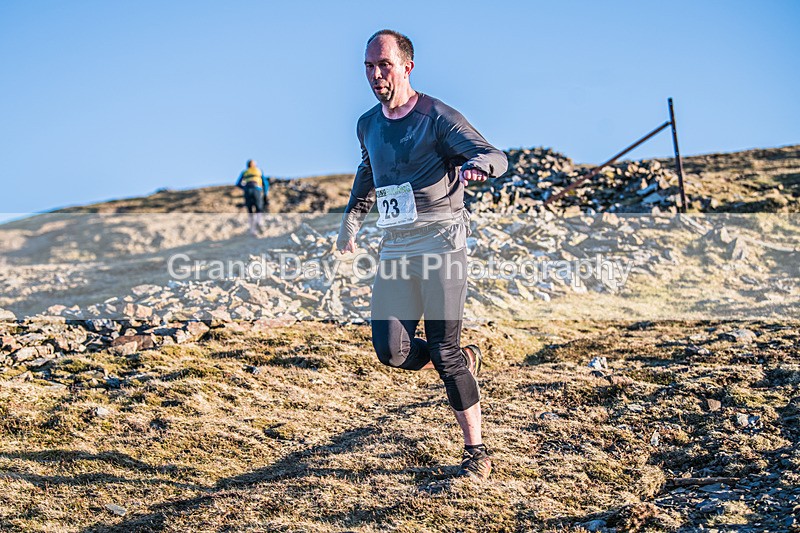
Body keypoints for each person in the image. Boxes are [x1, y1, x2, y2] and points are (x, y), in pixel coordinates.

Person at [336, 30, 508, 480]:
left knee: (444, 350)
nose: (375, 75)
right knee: (390, 351)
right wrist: (351, 220)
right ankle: (461, 360)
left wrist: (478, 166)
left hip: (442, 247)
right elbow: (368, 170)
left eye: (384, 65)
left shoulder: (438, 117)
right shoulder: (367, 124)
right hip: (396, 249)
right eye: (369, 66)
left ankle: (476, 452)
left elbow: (494, 154)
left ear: (407, 67)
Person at [236, 159, 269, 236]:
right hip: (256, 190)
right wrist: (265, 193)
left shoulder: (244, 172)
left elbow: (238, 183)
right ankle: (259, 222)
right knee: (259, 208)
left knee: (250, 210)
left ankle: (252, 230)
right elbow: (265, 183)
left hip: (247, 191)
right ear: (254, 165)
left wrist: (244, 188)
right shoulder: (259, 171)